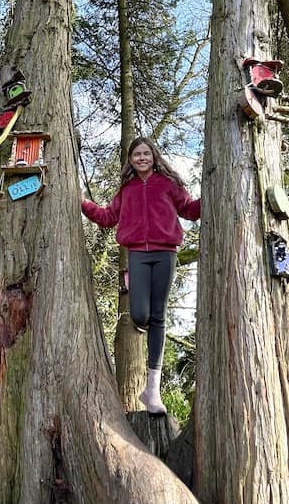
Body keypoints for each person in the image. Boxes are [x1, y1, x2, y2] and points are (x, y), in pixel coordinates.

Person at [81, 137, 201, 415]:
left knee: (158, 317)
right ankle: (132, 285)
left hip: (165, 253)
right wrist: (84, 203)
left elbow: (190, 210)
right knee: (139, 315)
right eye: (137, 154)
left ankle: (152, 391)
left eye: (146, 153)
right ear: (131, 160)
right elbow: (109, 217)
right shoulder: (128, 188)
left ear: (154, 156)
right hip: (136, 253)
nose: (142, 158)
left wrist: (213, 193)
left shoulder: (168, 184)